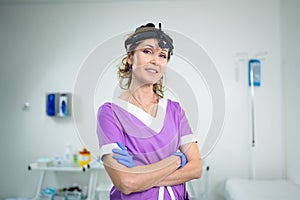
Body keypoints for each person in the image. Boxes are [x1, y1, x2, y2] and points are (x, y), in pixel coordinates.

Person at [96, 23, 202, 200]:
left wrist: (141, 176)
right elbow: (126, 183)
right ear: (130, 57)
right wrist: (176, 160)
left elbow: (196, 168)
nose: (155, 60)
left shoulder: (175, 111)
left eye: (162, 55)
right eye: (147, 51)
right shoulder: (110, 113)